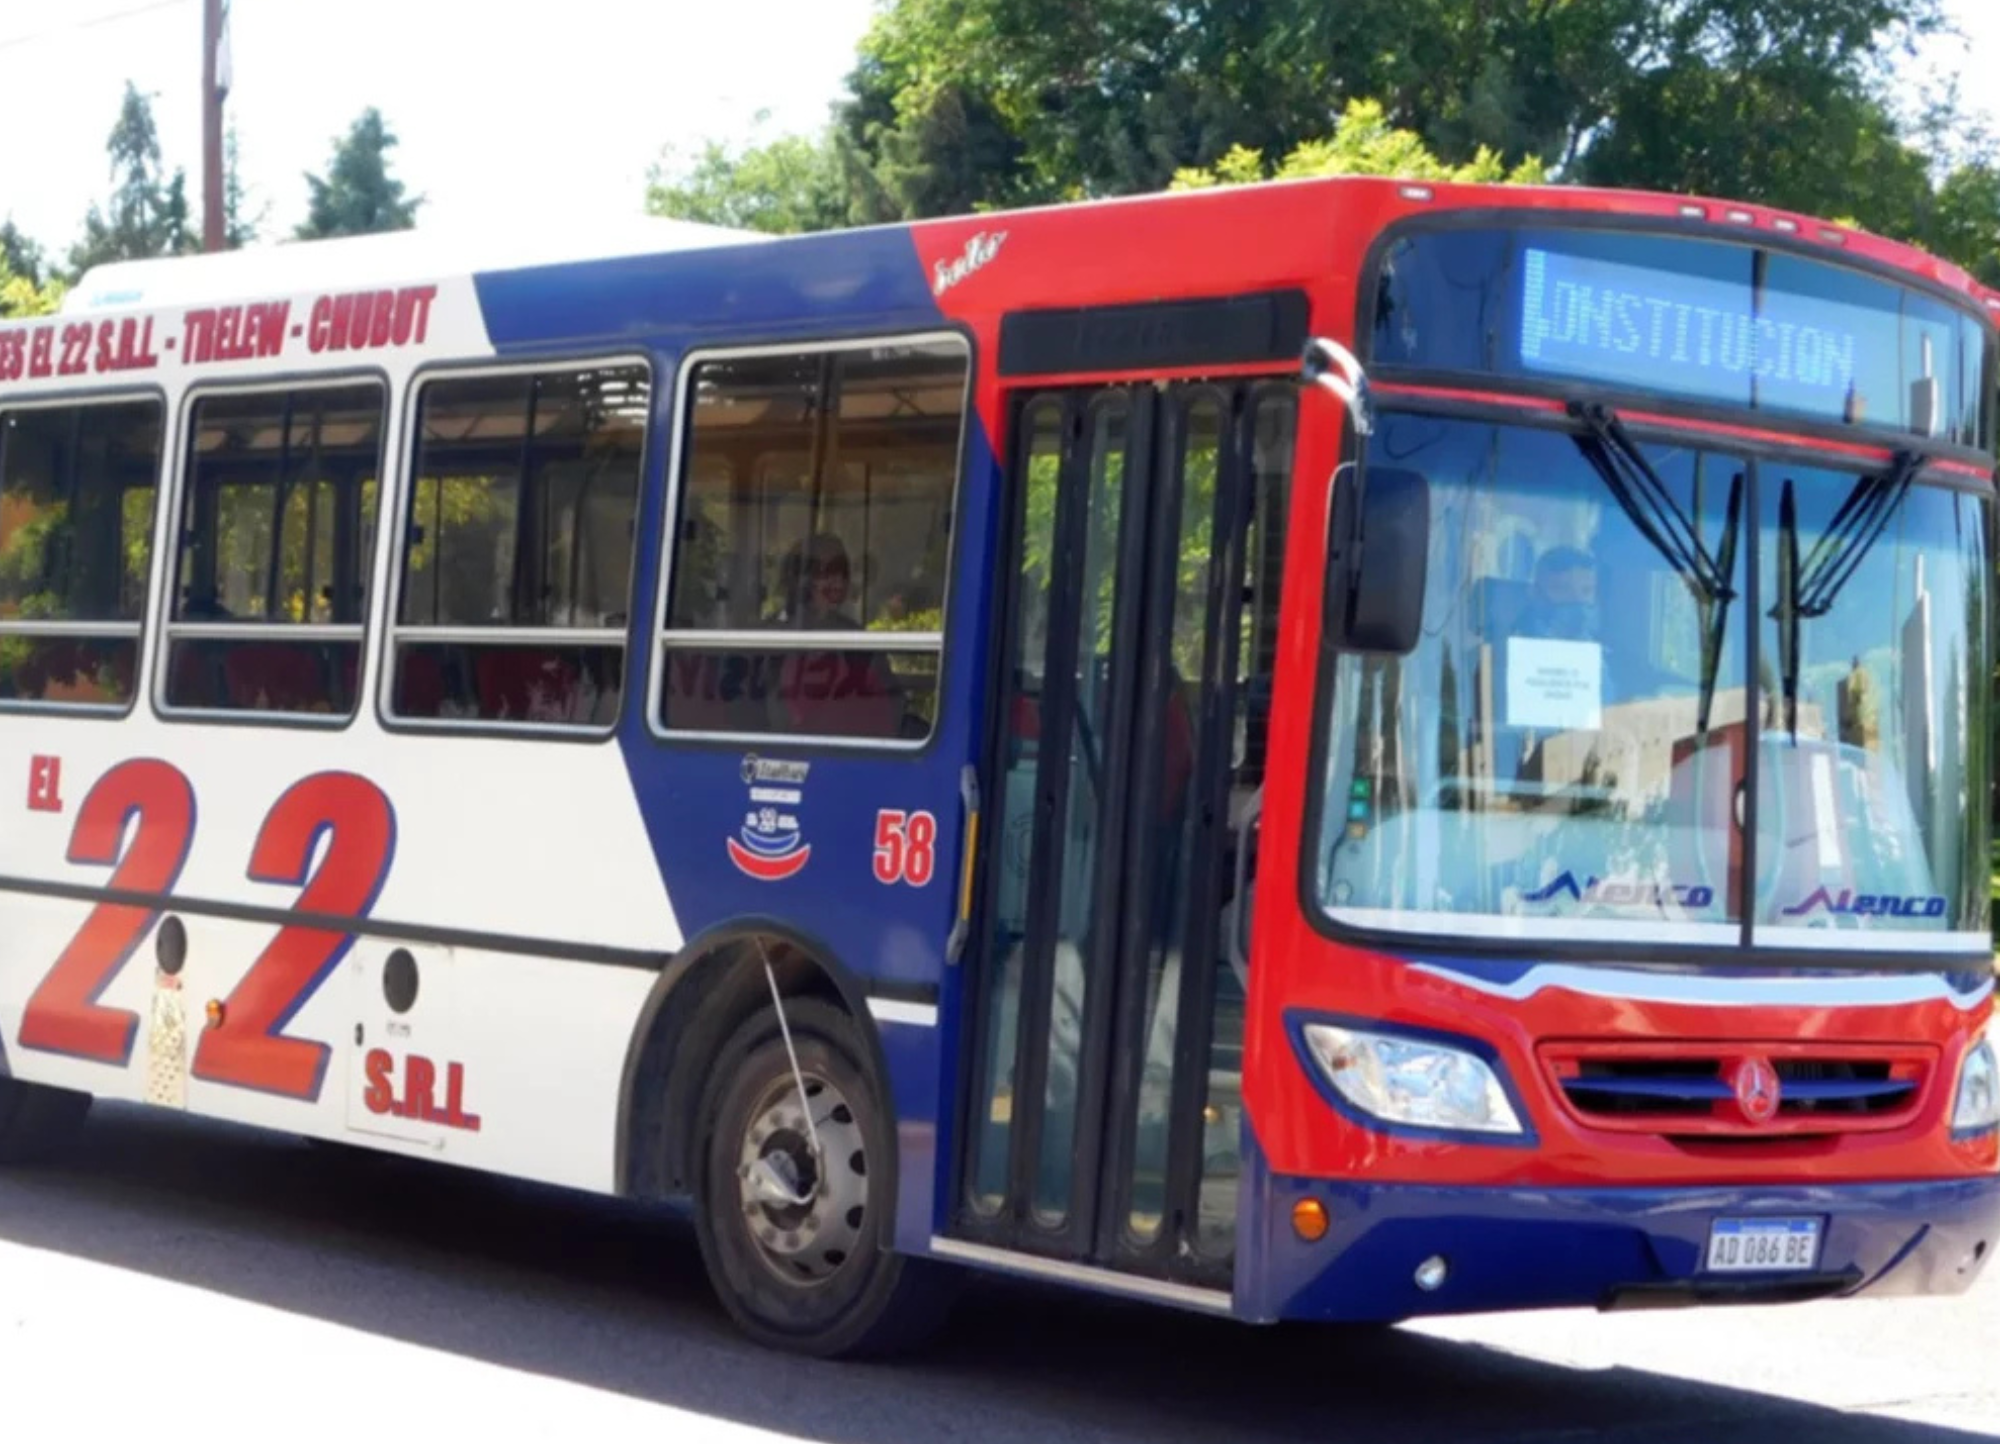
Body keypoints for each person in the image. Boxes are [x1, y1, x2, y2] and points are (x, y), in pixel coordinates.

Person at [1511, 544, 1599, 641]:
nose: (1576, 599)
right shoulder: (1514, 644)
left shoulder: (1602, 647)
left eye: (1587, 590)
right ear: (1535, 593)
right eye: (1563, 589)